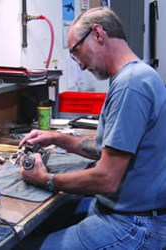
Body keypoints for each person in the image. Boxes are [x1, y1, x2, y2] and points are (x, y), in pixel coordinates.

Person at [18, 6, 166, 249]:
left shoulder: (131, 85)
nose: (82, 66)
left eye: (77, 52)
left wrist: (45, 178)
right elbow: (103, 149)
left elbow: (106, 178)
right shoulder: (136, 76)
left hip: (133, 226)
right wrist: (56, 138)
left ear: (97, 34)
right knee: (54, 219)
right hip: (129, 213)